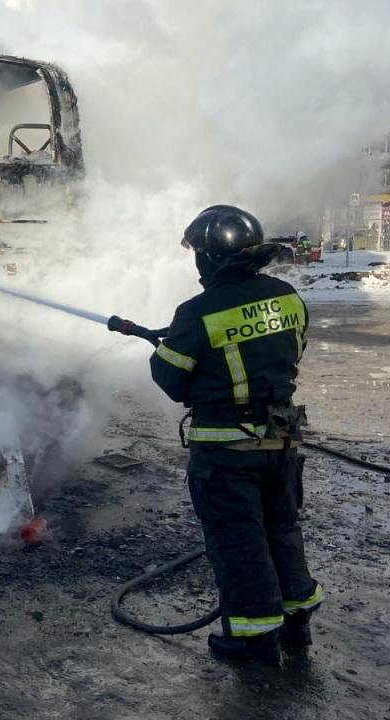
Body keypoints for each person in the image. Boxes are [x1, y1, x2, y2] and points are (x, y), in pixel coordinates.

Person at [149, 205, 323, 667]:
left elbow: (171, 382)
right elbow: (288, 349)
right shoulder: (286, 296)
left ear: (207, 259)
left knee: (238, 539)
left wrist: (180, 348)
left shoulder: (197, 312)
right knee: (282, 526)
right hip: (283, 438)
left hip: (228, 448)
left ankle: (254, 639)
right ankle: (297, 620)